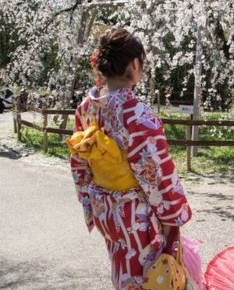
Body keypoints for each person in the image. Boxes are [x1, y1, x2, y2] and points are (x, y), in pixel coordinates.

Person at [67, 27, 192, 289]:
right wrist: (172, 220)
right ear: (134, 65)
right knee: (146, 279)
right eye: (141, 63)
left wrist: (90, 202)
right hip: (135, 215)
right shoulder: (136, 113)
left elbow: (79, 163)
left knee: (123, 271)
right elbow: (156, 173)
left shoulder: (86, 108)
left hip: (106, 209)